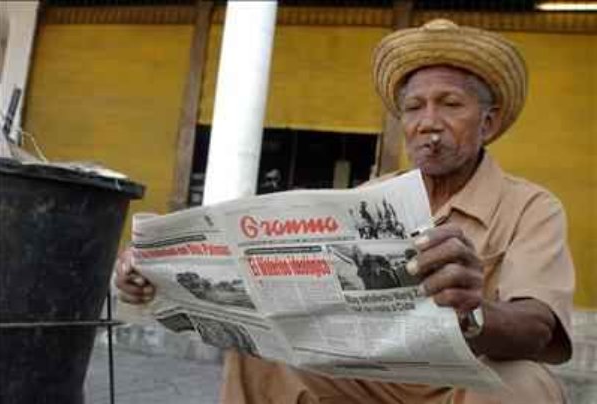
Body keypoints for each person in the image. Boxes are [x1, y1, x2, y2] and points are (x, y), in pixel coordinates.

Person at [115, 19, 575, 403]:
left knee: (523, 386)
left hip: (464, 381)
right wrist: (160, 274)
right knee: (258, 354)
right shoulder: (371, 198)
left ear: (488, 122)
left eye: (450, 104)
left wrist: (472, 312)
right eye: (414, 108)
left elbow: (537, 328)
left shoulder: (531, 206)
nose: (428, 122)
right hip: (373, 374)